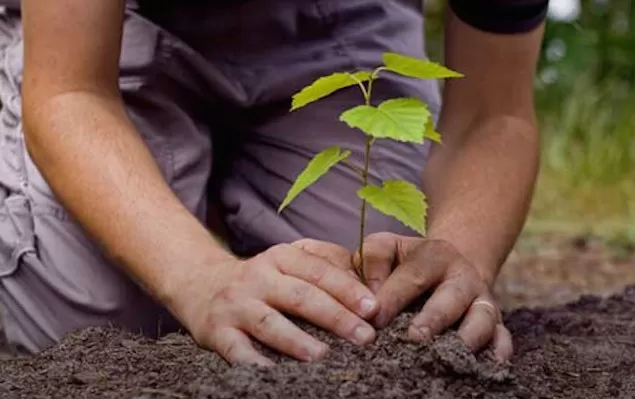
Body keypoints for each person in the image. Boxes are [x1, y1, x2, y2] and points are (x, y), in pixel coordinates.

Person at [0, 0, 547, 366]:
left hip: (338, 17)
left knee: (377, 296)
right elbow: (70, 92)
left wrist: (461, 259)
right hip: (111, 23)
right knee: (96, 322)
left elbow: (492, 114)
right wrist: (199, 277)